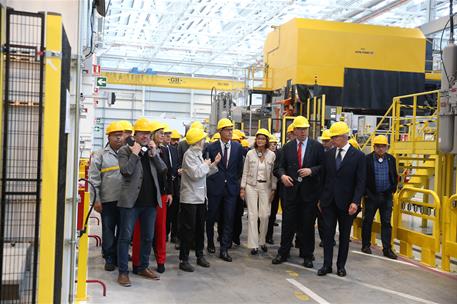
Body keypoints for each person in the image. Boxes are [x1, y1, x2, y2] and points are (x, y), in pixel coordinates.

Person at [117, 118, 167, 287]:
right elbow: (126, 171)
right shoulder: (125, 150)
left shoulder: (150, 151)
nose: (145, 136)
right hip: (131, 203)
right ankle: (123, 272)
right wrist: (135, 153)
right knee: (125, 237)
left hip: (150, 202)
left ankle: (142, 267)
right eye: (142, 133)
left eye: (148, 133)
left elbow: (163, 169)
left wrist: (154, 153)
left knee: (147, 237)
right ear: (135, 134)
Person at [272, 116, 324, 268]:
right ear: (294, 130)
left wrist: (311, 170)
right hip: (291, 194)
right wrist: (283, 176)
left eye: (305, 129)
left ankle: (308, 255)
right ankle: (283, 252)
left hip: (309, 194)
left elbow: (323, 167)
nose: (303, 132)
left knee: (307, 225)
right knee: (288, 224)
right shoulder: (287, 148)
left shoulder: (317, 147)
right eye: (300, 129)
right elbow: (278, 167)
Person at [317, 121, 366, 277]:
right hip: (329, 202)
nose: (332, 140)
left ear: (344, 136)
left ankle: (341, 266)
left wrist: (356, 202)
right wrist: (321, 199)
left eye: (335, 137)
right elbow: (323, 179)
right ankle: (326, 265)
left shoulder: (358, 156)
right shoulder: (329, 155)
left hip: (347, 204)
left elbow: (361, 182)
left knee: (344, 236)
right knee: (328, 235)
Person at [178, 128, 221, 272]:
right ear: (197, 141)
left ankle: (199, 255)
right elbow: (196, 174)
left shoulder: (198, 155)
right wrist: (207, 164)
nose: (204, 141)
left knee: (199, 229)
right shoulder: (189, 155)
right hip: (190, 198)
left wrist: (213, 164)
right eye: (202, 139)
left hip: (200, 198)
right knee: (188, 229)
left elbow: (203, 174)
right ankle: (184, 259)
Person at [205, 118, 244, 262]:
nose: (230, 132)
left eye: (231, 129)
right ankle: (210, 242)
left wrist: (233, 182)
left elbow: (239, 167)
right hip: (215, 187)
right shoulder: (211, 147)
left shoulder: (237, 147)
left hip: (231, 189)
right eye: (227, 129)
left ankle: (224, 248)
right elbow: (206, 167)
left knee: (229, 218)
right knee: (211, 216)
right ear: (220, 131)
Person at [88, 121, 124, 271]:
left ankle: (119, 255)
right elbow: (94, 179)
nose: (119, 139)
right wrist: (96, 200)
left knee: (123, 230)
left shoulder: (128, 153)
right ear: (108, 137)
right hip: (108, 200)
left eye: (121, 136)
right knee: (108, 230)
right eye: (115, 136)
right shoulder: (100, 155)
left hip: (125, 201)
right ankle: (109, 257)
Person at [240, 129, 277, 254]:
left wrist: (273, 188)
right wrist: (242, 188)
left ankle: (262, 241)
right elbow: (245, 171)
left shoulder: (272, 155)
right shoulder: (250, 153)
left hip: (266, 187)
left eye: (263, 138)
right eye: (258, 138)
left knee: (264, 215)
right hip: (251, 186)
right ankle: (254, 244)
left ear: (267, 140)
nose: (260, 140)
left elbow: (274, 174)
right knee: (253, 215)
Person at [361, 135, 398, 259]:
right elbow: (363, 178)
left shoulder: (391, 159)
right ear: (374, 147)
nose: (381, 149)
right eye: (378, 146)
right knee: (368, 220)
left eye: (383, 146)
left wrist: (393, 189)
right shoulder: (367, 160)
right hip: (371, 196)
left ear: (387, 147)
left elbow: (394, 175)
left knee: (386, 222)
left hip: (386, 196)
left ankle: (387, 249)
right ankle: (366, 245)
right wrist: (366, 193)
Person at [151, 120, 173, 273]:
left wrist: (169, 192)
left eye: (163, 133)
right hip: (147, 195)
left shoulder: (164, 151)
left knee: (161, 229)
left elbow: (169, 172)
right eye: (160, 133)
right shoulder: (144, 150)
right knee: (146, 230)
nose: (162, 136)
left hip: (162, 195)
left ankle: (160, 260)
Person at [163, 125, 180, 245]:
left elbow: (177, 163)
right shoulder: (160, 150)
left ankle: (174, 234)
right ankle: (164, 234)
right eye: (166, 135)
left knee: (175, 211)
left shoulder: (173, 149)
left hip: (175, 183)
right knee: (166, 211)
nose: (169, 137)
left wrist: (179, 170)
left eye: (170, 135)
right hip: (165, 183)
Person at [266, 135, 281, 244]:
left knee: (272, 213)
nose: (273, 145)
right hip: (263, 187)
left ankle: (269, 235)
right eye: (271, 143)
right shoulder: (262, 155)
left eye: (275, 144)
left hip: (275, 188)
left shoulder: (279, 156)